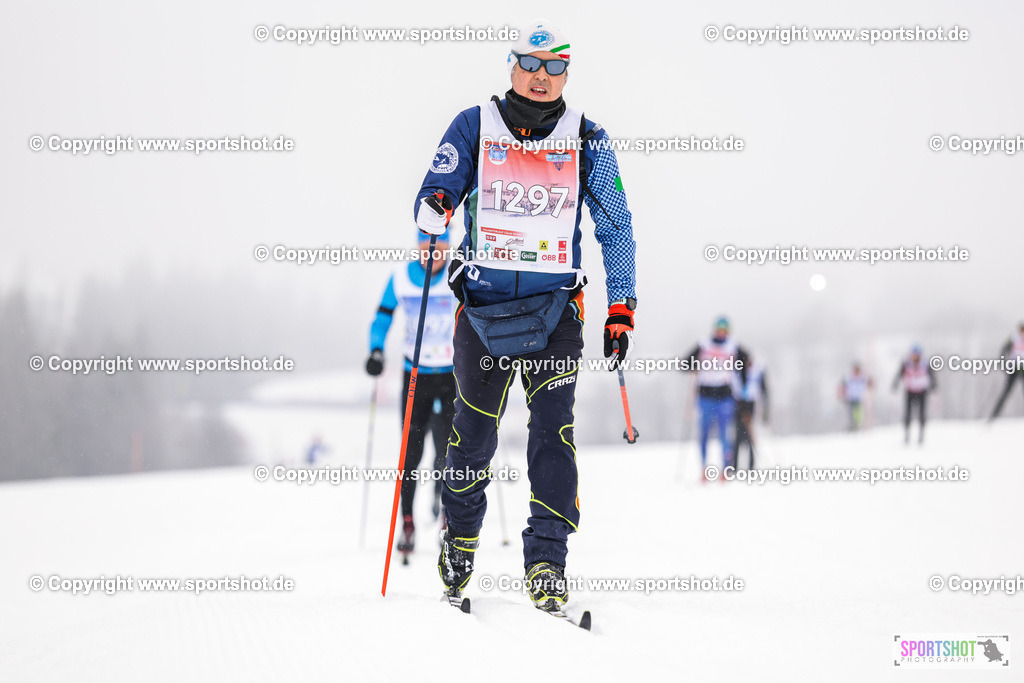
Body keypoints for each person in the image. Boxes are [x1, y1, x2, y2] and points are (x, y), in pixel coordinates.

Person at [415, 21, 637, 613]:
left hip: (555, 313)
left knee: (552, 437)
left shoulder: (588, 137)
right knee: (473, 437)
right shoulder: (472, 126)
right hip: (484, 313)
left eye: (555, 67)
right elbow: (434, 193)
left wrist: (622, 305)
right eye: (531, 65)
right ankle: (460, 544)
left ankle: (547, 563)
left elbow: (615, 223)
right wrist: (433, 211)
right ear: (511, 67)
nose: (542, 78)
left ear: (567, 73)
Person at [366, 230, 458, 558]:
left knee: (451, 452)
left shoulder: (456, 274)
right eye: (425, 249)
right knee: (410, 453)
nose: (432, 255)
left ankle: (448, 517)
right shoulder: (401, 278)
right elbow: (382, 316)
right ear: (418, 248)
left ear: (447, 249)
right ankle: (408, 523)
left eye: (440, 249)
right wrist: (376, 351)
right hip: (415, 374)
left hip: (452, 374)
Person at [683, 317, 749, 480]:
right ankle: (704, 468)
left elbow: (747, 363)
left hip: (725, 395)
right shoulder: (703, 344)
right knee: (704, 432)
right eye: (719, 329)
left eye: (724, 330)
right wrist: (692, 366)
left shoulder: (733, 345)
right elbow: (685, 363)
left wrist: (743, 387)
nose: (721, 333)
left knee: (725, 434)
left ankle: (725, 470)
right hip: (705, 395)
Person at [891, 345, 936, 444]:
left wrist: (934, 386)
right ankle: (907, 434)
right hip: (910, 391)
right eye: (913, 354)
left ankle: (921, 434)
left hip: (922, 391)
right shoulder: (906, 364)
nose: (915, 356)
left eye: (916, 355)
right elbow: (899, 375)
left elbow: (932, 375)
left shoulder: (925, 364)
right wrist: (895, 385)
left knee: (922, 414)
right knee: (908, 414)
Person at [733, 354, 767, 470]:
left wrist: (765, 412)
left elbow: (763, 389)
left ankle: (751, 465)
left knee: (749, 435)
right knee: (738, 436)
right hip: (738, 404)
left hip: (751, 404)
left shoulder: (757, 370)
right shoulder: (737, 369)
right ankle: (735, 466)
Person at [988, 322, 1024, 421]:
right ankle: (994, 416)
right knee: (1006, 392)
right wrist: (1004, 364)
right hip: (1014, 368)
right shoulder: (1013, 338)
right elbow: (1003, 350)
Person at [839, 362, 873, 431]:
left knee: (858, 413)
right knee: (851, 414)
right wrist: (842, 395)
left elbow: (870, 385)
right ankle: (852, 426)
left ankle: (856, 425)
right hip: (850, 398)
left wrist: (870, 380)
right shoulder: (849, 378)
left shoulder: (862, 378)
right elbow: (843, 387)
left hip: (859, 399)